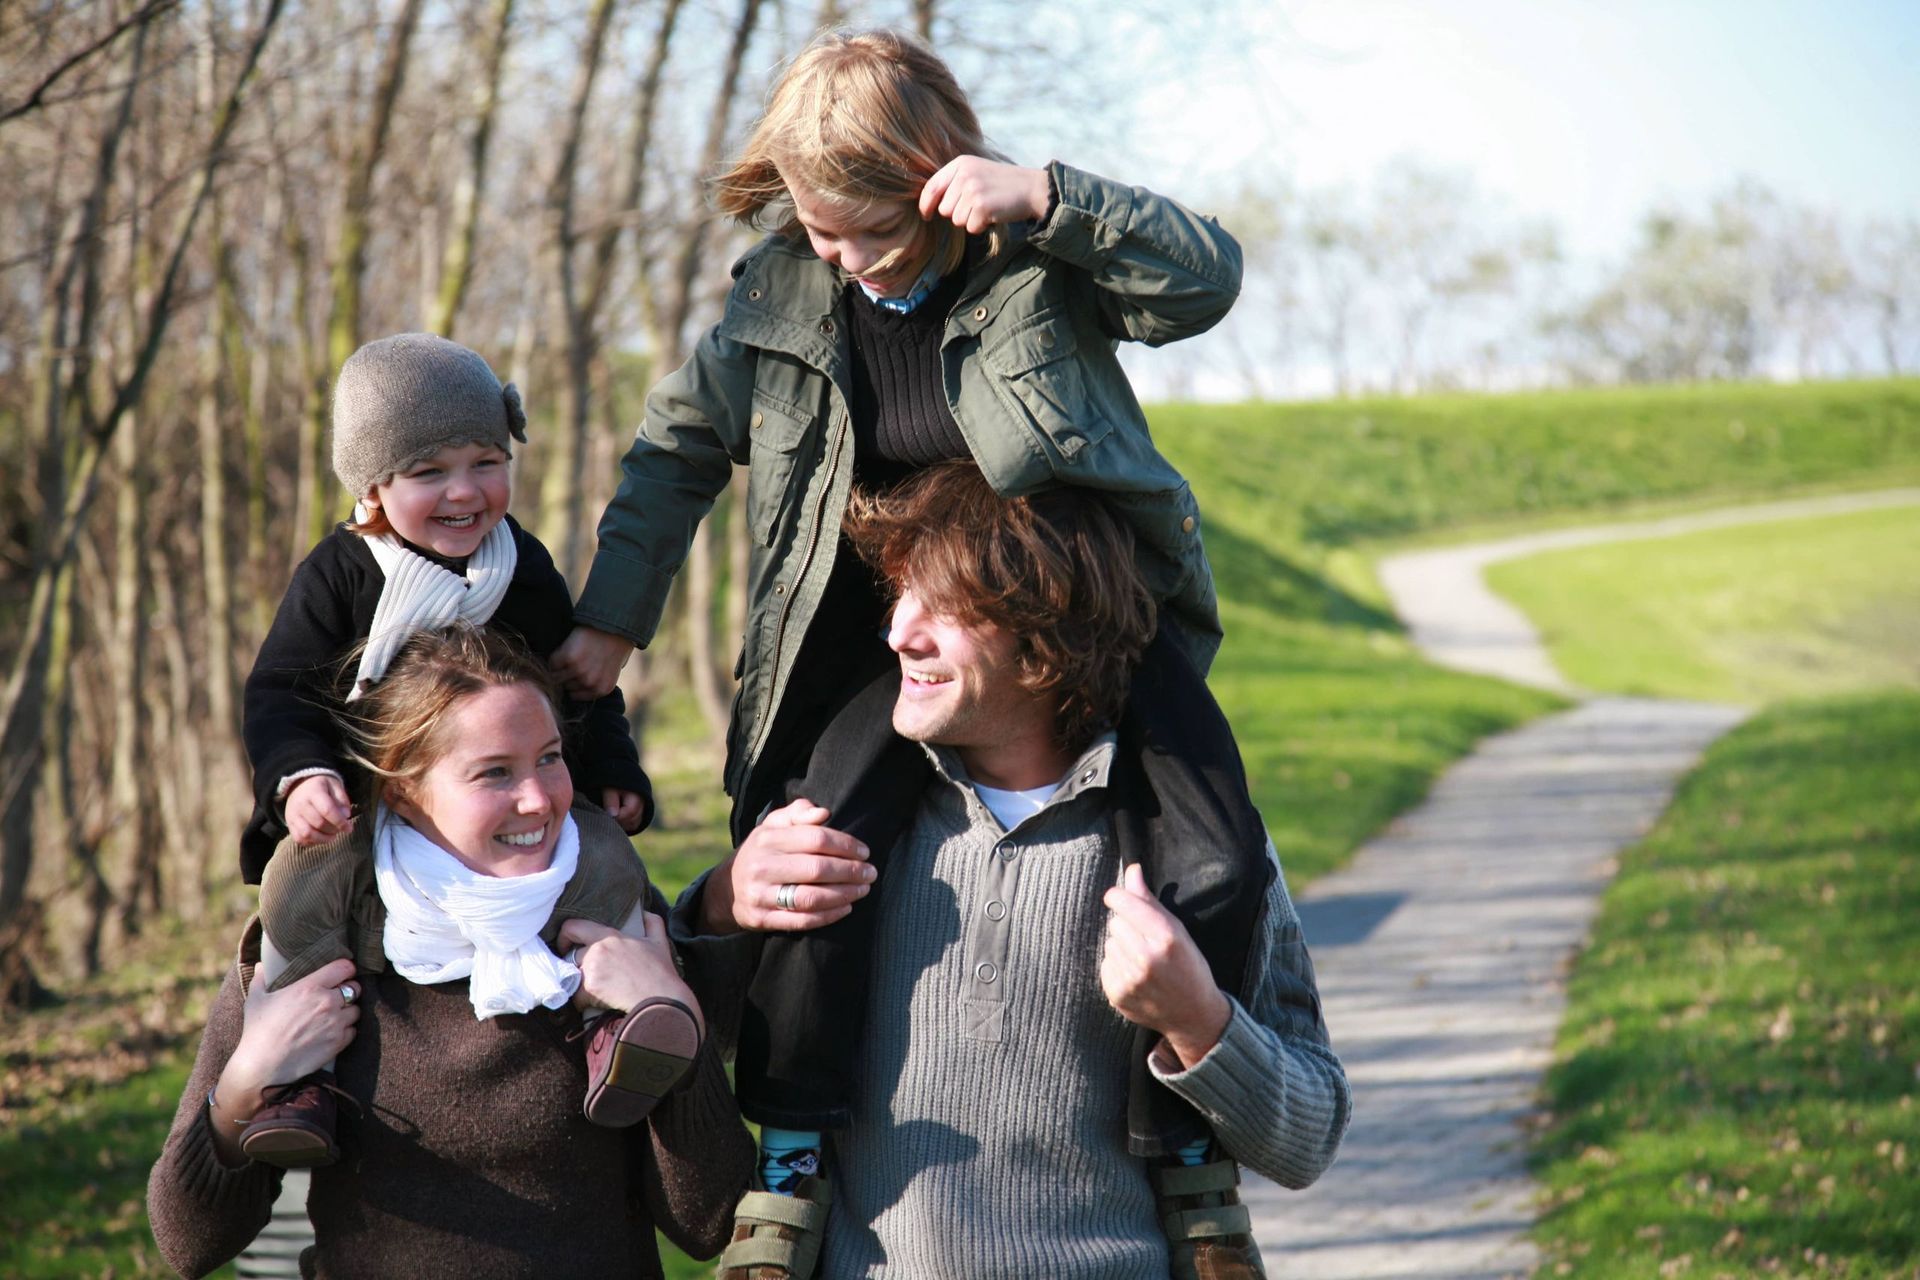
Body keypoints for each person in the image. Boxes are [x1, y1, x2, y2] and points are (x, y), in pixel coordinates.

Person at [550, 25, 1269, 1201]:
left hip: (1086, 620)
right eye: (821, 229)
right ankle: (792, 1158)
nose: (847, 259)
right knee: (817, 847)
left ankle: (1188, 1157)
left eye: (872, 231)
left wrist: (1051, 197)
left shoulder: (1033, 260)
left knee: (1215, 851)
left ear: (936, 181)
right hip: (888, 645)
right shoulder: (781, 294)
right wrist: (613, 618)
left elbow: (1206, 280)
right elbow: (675, 447)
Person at [675, 464, 1349, 1279]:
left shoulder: (1197, 851)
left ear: (1045, 642)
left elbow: (1309, 1140)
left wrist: (1199, 1021)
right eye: (901, 596)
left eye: (944, 608)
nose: (898, 634)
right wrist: (724, 901)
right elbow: (677, 1055)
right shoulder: (834, 825)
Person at [149, 626, 753, 1278]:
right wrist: (244, 1085)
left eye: (549, 758)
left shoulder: (615, 921)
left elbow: (710, 1222)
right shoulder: (314, 939)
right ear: (404, 791)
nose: (539, 799)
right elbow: (189, 1245)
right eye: (495, 772)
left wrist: (672, 1011)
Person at [237, 332, 673, 1164]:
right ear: (372, 486)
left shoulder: (520, 564)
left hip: (506, 794)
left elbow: (575, 688)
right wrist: (301, 777)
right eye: (429, 471)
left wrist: (613, 768)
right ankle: (297, 1074)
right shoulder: (341, 572)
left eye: (486, 461)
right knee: (300, 884)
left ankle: (616, 1024)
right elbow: (280, 692)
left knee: (609, 858)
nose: (465, 491)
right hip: (366, 800)